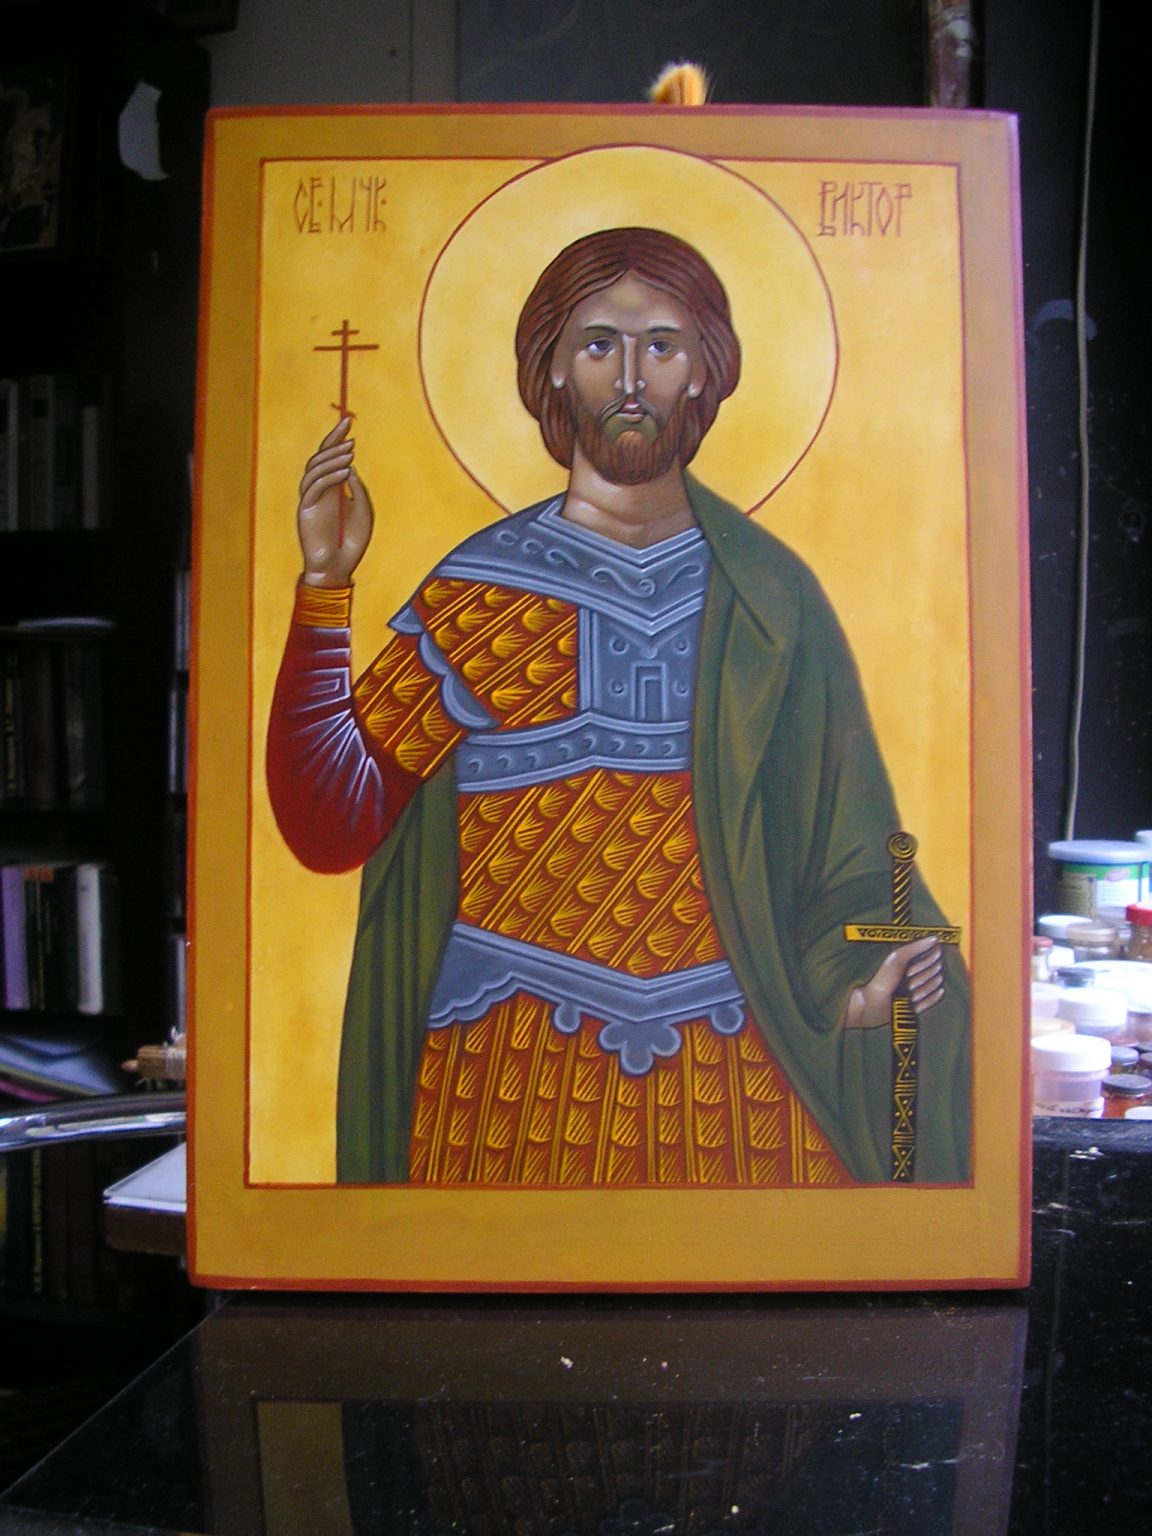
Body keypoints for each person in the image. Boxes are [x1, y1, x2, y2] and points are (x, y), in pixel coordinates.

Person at [267, 226, 970, 1187]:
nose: (632, 378)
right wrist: (324, 585)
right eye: (600, 344)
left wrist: (860, 983)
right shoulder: (482, 595)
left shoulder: (767, 601)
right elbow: (331, 822)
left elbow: (845, 857)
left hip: (733, 1077)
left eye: (662, 346)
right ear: (553, 369)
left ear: (704, 371)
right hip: (506, 1079)